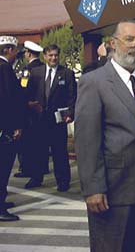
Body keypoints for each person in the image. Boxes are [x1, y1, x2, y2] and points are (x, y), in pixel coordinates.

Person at [75, 20, 135, 252]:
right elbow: (87, 141)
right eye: (129, 39)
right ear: (113, 43)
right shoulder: (93, 82)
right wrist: (93, 188)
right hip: (112, 192)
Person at [24, 44, 77, 191]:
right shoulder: (36, 73)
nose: (53, 58)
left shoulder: (66, 73)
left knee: (59, 151)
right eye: (50, 55)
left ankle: (63, 181)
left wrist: (70, 114)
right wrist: (29, 106)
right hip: (39, 119)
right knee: (38, 150)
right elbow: (29, 94)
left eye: (55, 55)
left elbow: (72, 97)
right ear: (45, 56)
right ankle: (36, 177)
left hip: (57, 120)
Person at [0, 35, 25, 221]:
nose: (16, 54)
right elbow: (8, 101)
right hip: (5, 130)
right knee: (3, 168)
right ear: (8, 50)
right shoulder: (4, 68)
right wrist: (15, 126)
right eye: (15, 50)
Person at [15, 40, 44, 178]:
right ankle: (42, 167)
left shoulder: (27, 70)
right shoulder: (44, 67)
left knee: (28, 142)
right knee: (41, 141)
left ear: (28, 53)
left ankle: (28, 169)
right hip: (42, 108)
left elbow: (24, 89)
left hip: (30, 110)